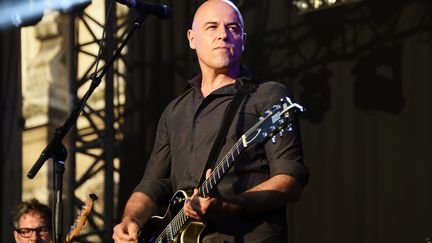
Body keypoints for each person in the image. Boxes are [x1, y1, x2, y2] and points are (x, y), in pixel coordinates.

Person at [113, 0, 309, 242]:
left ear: (243, 40)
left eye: (233, 28)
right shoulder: (174, 111)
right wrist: (131, 219)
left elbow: (290, 179)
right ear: (192, 39)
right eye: (212, 27)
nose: (223, 35)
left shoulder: (269, 96)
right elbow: (153, 183)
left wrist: (229, 205)